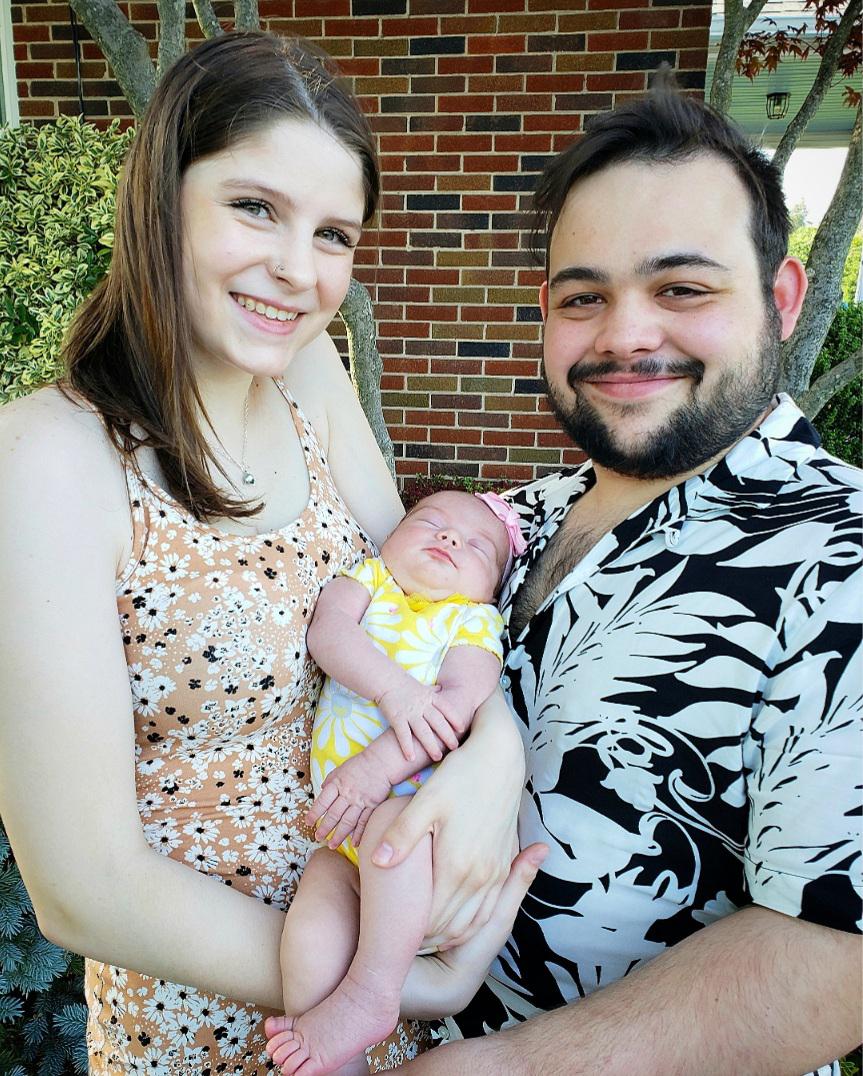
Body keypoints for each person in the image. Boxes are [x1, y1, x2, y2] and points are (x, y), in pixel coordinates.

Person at [0, 32, 539, 1075]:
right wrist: (375, 985)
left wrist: (494, 747)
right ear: (161, 199)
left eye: (333, 233)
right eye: (254, 207)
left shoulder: (308, 374)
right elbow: (83, 882)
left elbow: (426, 599)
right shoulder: (44, 460)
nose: (297, 271)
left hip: (380, 959)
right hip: (213, 1022)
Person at [385, 81, 862, 1073]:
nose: (623, 335)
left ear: (779, 298)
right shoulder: (509, 519)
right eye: (581, 296)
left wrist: (512, 1066)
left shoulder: (837, 552)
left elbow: (837, 942)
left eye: (680, 288)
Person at [264, 490, 529, 1075]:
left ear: (492, 589)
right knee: (309, 933)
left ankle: (371, 993)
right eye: (429, 522)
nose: (450, 538)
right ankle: (336, 1057)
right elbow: (327, 634)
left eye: (478, 546)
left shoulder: (473, 621)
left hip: (416, 824)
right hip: (343, 841)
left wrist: (374, 770)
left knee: (392, 827)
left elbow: (460, 704)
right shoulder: (370, 579)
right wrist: (396, 690)